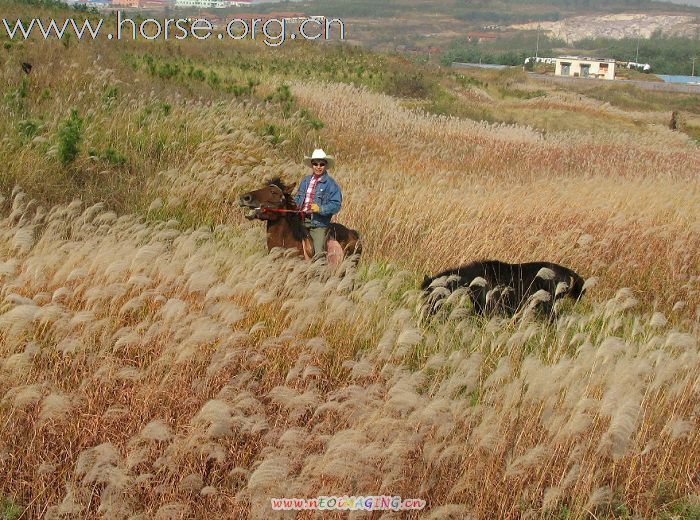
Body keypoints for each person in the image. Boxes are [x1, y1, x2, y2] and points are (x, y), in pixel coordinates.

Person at [295, 149, 342, 257]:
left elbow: (336, 205)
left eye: (321, 164)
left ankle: (319, 272)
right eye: (315, 164)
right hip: (301, 221)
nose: (318, 166)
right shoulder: (305, 181)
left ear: (325, 165)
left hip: (318, 224)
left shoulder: (331, 184)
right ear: (312, 165)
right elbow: (298, 198)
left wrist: (320, 209)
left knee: (318, 252)